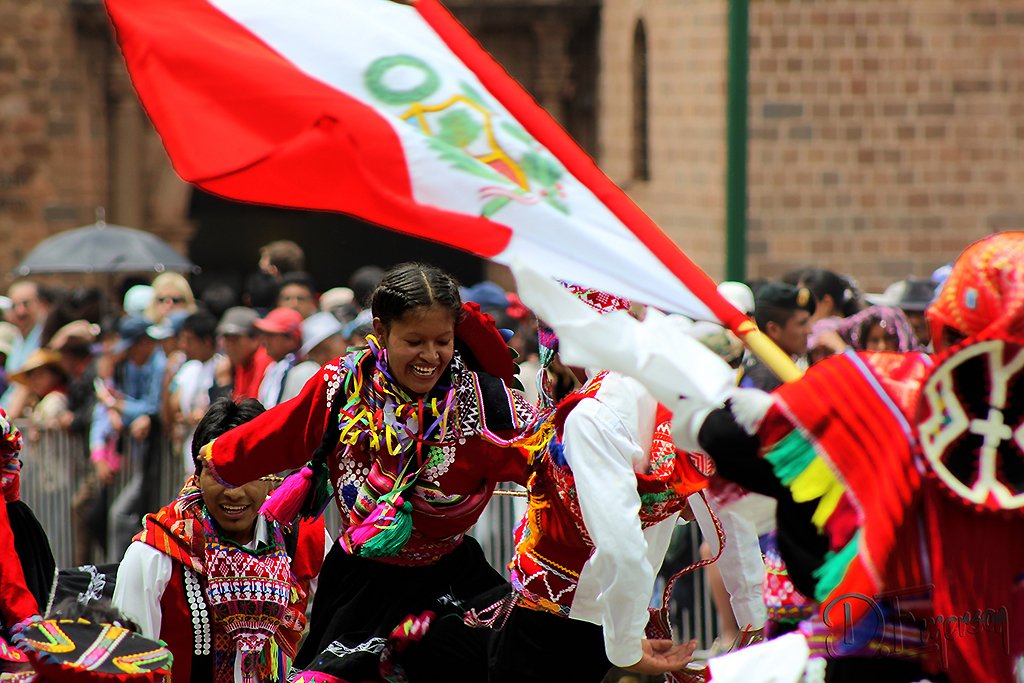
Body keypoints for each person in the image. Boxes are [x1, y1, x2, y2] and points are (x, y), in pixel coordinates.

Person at [520, 232, 1024, 683]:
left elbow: (729, 446)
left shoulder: (877, 387)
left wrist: (688, 390)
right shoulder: (875, 390)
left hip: (879, 649)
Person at [199, 262, 536, 683]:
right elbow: (277, 433)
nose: (430, 356)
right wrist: (216, 465)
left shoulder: (486, 406)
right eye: (414, 341)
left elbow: (556, 465)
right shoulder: (343, 385)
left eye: (442, 341)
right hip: (359, 588)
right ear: (381, 329)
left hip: (453, 588)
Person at [488, 285, 703, 683]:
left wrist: (625, 646)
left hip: (561, 612)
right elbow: (718, 512)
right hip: (602, 611)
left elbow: (621, 546)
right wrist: (750, 609)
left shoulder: (592, 413)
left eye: (556, 324)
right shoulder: (668, 395)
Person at [113, 398, 326, 683]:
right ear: (197, 476)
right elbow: (129, 668)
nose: (234, 493)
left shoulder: (301, 536)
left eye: (248, 473)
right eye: (220, 475)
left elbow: (346, 626)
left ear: (271, 476)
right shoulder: (154, 554)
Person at [741, 283, 816, 392]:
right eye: (802, 323)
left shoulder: (772, 368)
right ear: (774, 329)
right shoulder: (765, 377)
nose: (809, 331)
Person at [215, 306, 272, 401]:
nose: (229, 346)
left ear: (255, 339)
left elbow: (253, 407)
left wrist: (225, 383)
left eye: (234, 339)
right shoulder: (242, 363)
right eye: (226, 339)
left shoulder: (262, 359)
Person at [253, 307, 303, 408]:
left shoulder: (300, 370)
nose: (264, 340)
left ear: (291, 340)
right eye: (265, 334)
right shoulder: (272, 368)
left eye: (271, 335)